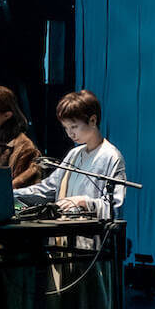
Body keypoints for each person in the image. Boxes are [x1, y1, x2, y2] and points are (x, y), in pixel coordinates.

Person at [13, 89, 129, 221]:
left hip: (91, 232)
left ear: (92, 120)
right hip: (65, 229)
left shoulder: (111, 157)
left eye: (74, 127)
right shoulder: (74, 154)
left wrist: (86, 202)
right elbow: (48, 188)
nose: (70, 134)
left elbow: (116, 207)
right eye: (66, 128)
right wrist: (11, 194)